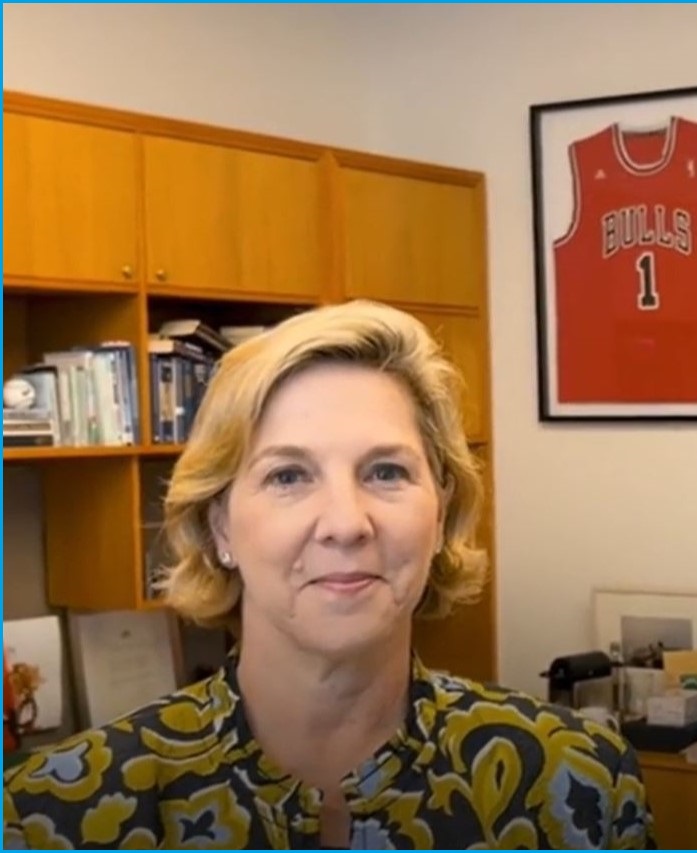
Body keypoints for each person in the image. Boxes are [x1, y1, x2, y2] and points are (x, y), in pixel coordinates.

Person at [3, 300, 657, 850]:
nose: (346, 522)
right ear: (220, 526)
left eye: (386, 471)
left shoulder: (575, 785)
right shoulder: (53, 814)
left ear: (442, 513)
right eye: (289, 475)